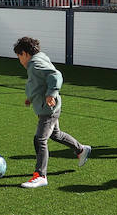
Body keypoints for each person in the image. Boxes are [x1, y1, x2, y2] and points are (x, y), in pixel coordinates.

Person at [13, 35, 91, 188]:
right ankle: (81, 149)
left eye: (19, 56)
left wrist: (51, 94)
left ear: (25, 54)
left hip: (48, 109)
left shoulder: (35, 64)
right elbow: (38, 82)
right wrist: (31, 97)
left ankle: (41, 175)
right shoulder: (38, 59)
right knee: (56, 134)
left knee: (40, 139)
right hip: (47, 106)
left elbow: (55, 75)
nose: (19, 60)